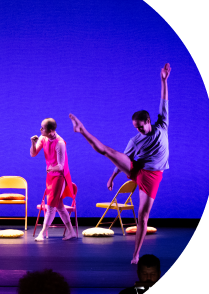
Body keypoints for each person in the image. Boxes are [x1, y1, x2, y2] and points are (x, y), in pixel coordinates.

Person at [69, 63, 170, 263]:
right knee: (108, 151)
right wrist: (113, 176)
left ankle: (135, 255)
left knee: (142, 217)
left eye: (140, 127)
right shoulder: (135, 141)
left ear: (148, 121)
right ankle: (83, 131)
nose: (138, 131)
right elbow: (120, 158)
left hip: (152, 176)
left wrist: (163, 80)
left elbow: (164, 101)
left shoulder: (162, 125)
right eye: (135, 128)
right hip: (137, 168)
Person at [30, 118, 76, 241]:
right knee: (60, 206)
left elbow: (61, 166)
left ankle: (42, 233)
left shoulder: (60, 143)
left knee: (50, 206)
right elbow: (33, 154)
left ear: (50, 131)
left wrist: (51, 168)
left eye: (42, 128)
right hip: (50, 176)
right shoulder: (43, 138)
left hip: (60, 177)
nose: (40, 130)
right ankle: (71, 232)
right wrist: (33, 143)